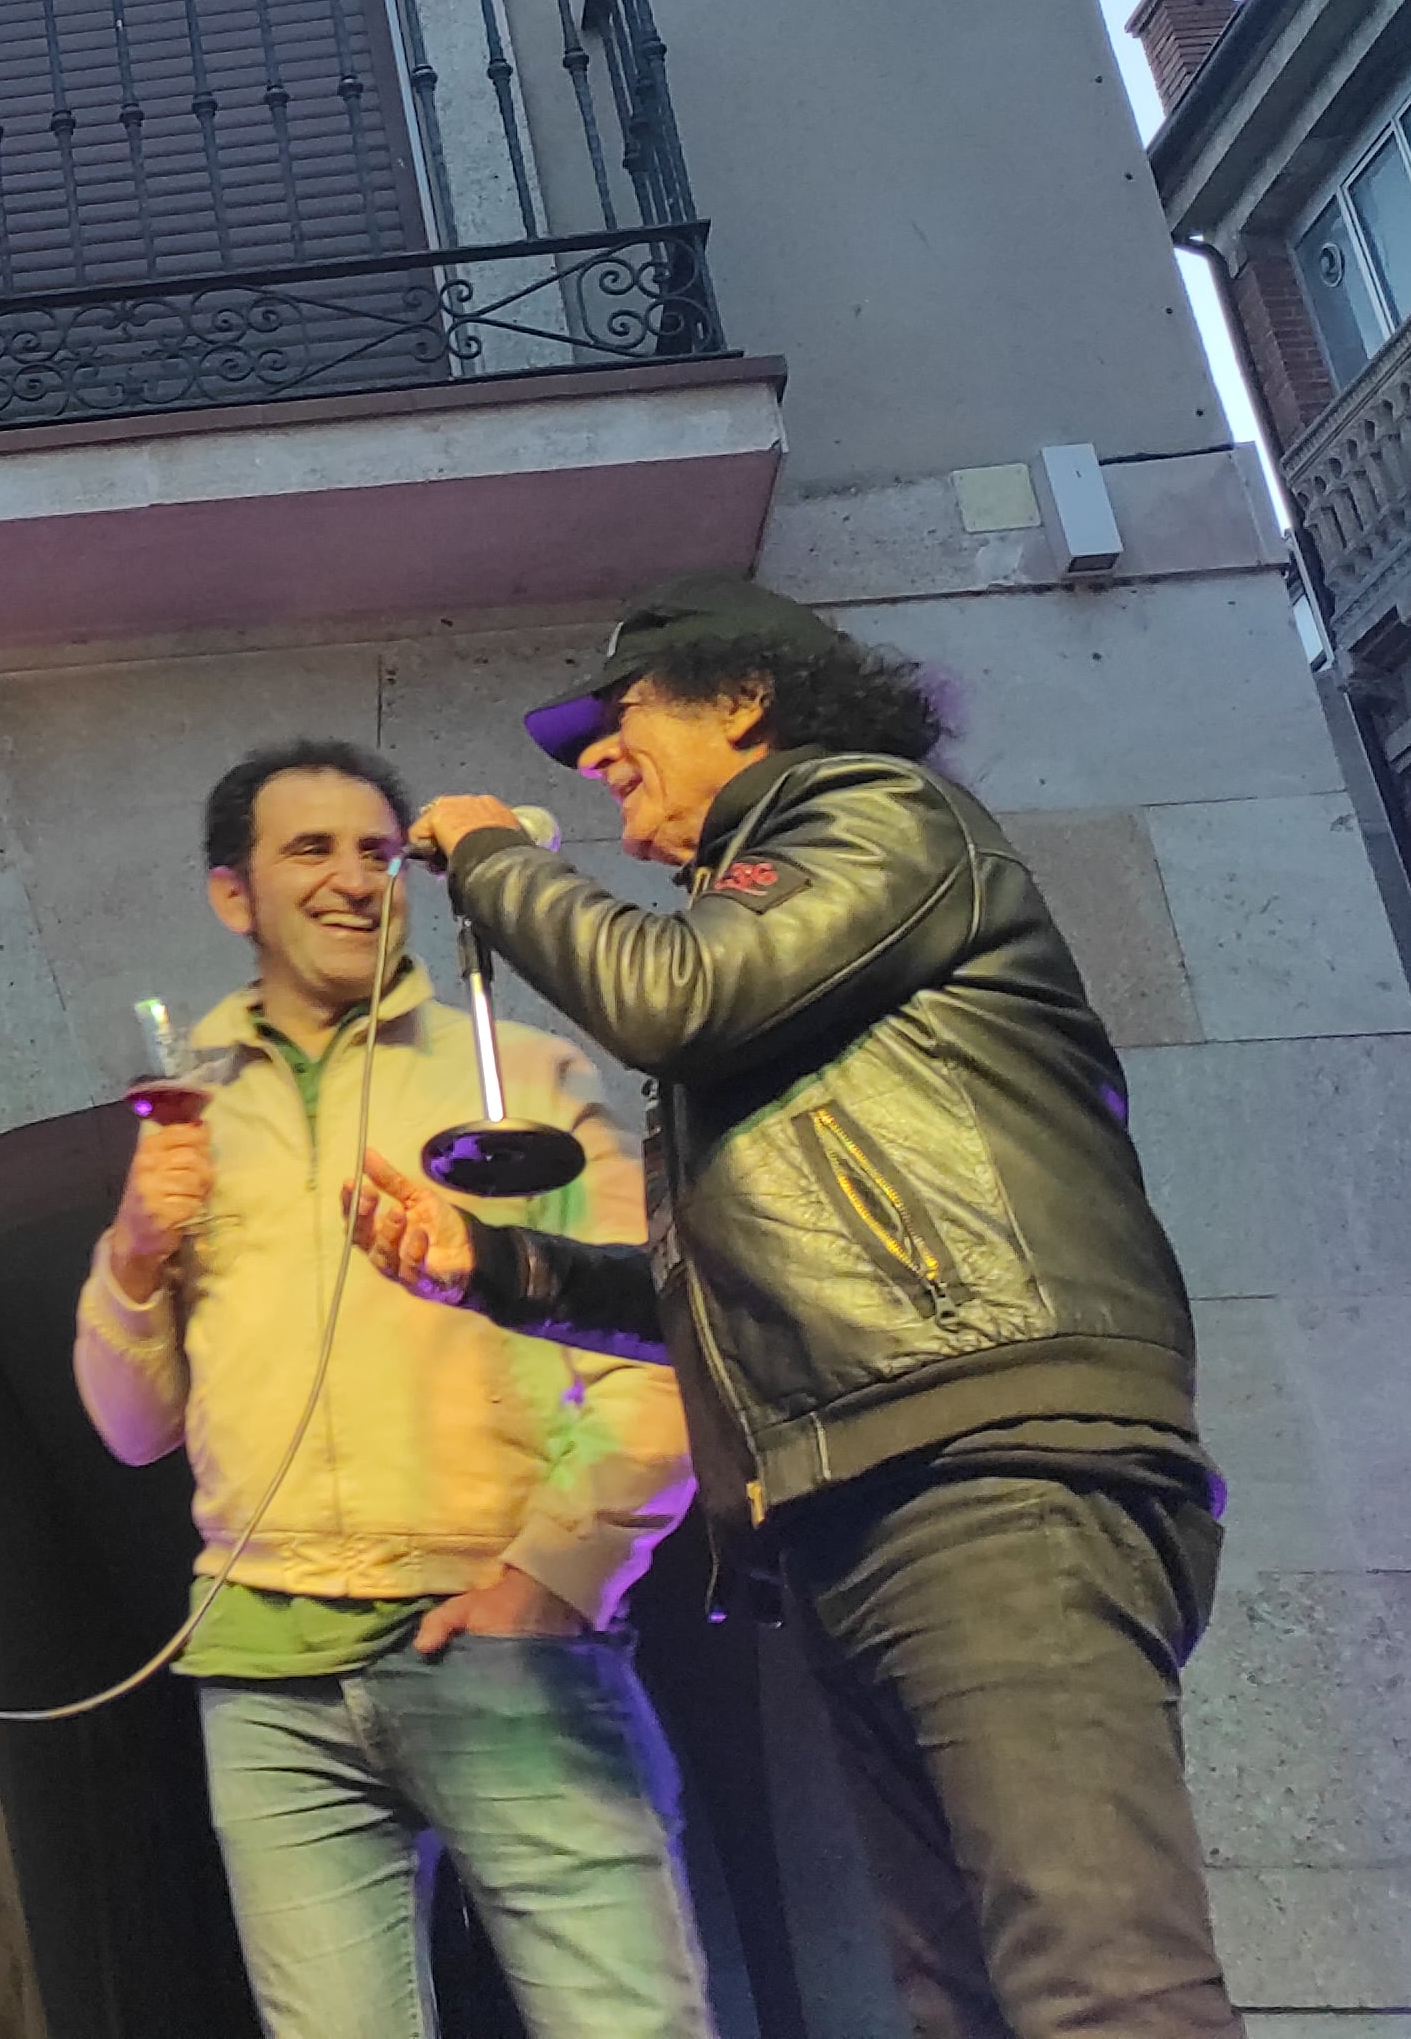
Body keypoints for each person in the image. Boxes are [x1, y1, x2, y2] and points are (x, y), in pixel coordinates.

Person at [374, 576, 1237, 2039]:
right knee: (964, 1997)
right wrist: (493, 1268)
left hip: (993, 1470)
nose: (593, 763)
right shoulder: (795, 936)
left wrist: (486, 863)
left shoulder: (876, 817)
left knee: (1099, 1986)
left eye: (621, 717)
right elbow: (739, 1287)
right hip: (866, 1493)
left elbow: (672, 997)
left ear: (746, 699)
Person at [76, 741, 714, 2039]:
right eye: (308, 850)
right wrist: (133, 1258)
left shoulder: (519, 1078)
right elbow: (131, 1426)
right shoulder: (192, 1106)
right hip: (264, 1676)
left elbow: (670, 1348)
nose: (355, 880)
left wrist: (557, 1574)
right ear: (230, 895)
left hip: (500, 1643)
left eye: (377, 852)